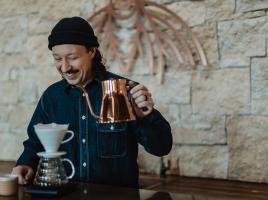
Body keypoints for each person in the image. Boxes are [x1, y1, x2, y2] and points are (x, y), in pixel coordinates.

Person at [12, 16, 173, 188]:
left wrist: (146, 117)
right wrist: (25, 163)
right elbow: (35, 142)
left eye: (72, 57)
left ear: (92, 52)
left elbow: (161, 148)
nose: (65, 67)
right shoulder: (52, 96)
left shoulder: (124, 91)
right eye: (58, 59)